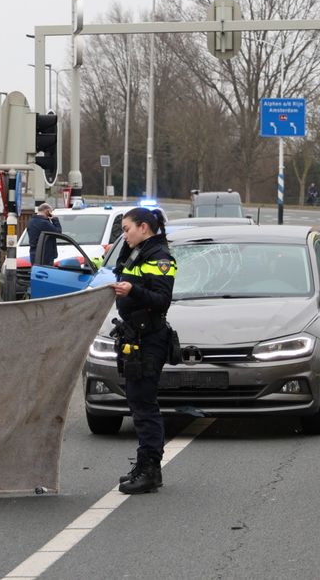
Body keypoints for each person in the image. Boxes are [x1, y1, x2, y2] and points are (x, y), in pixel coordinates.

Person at [111, 207, 176, 495]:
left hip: (150, 339)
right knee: (137, 403)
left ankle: (150, 470)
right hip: (135, 337)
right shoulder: (137, 253)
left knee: (144, 405)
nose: (124, 234)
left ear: (144, 228)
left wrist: (132, 292)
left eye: (127, 229)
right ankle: (144, 464)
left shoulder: (160, 258)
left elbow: (162, 299)